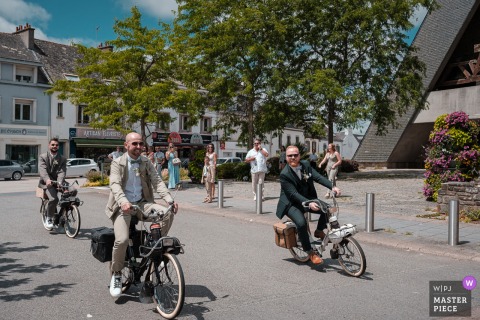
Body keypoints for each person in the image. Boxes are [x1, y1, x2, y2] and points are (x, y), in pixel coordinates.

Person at [105, 132, 179, 298]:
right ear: (126, 146)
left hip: (142, 203)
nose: (138, 147)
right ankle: (116, 274)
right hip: (121, 206)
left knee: (167, 213)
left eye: (140, 144)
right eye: (135, 144)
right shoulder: (118, 163)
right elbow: (115, 184)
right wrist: (123, 201)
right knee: (122, 240)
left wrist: (169, 199)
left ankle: (155, 248)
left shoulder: (146, 162)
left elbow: (157, 181)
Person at [276, 145, 341, 265]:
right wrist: (309, 203)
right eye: (290, 156)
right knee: (301, 223)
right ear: (286, 158)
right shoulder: (284, 174)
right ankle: (310, 252)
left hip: (307, 198)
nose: (293, 157)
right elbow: (294, 194)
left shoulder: (305, 165)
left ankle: (319, 231)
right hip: (291, 203)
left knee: (327, 209)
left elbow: (318, 177)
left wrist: (333, 187)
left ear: (299, 156)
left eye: (295, 155)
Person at [38, 138, 67, 228]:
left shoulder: (62, 158)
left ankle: (62, 214)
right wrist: (47, 179)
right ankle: (49, 218)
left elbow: (62, 172)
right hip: (47, 182)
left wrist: (60, 182)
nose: (55, 146)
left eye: (57, 145)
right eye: (53, 145)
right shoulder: (43, 156)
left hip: (58, 181)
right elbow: (42, 170)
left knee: (73, 190)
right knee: (54, 199)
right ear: (49, 145)